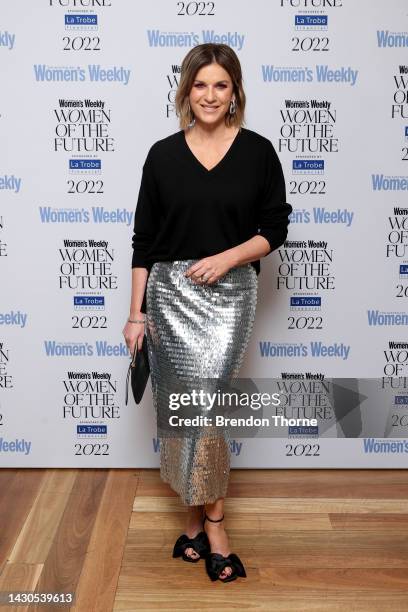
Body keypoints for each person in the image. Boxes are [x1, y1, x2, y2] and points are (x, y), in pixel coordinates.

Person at [123, 43, 292, 583]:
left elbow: (275, 229)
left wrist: (227, 257)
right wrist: (136, 315)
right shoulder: (162, 155)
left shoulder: (260, 152)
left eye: (220, 85)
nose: (210, 95)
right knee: (181, 413)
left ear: (235, 90)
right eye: (200, 85)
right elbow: (143, 241)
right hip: (169, 299)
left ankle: (214, 523)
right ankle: (194, 522)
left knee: (208, 411)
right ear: (186, 91)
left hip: (231, 293)